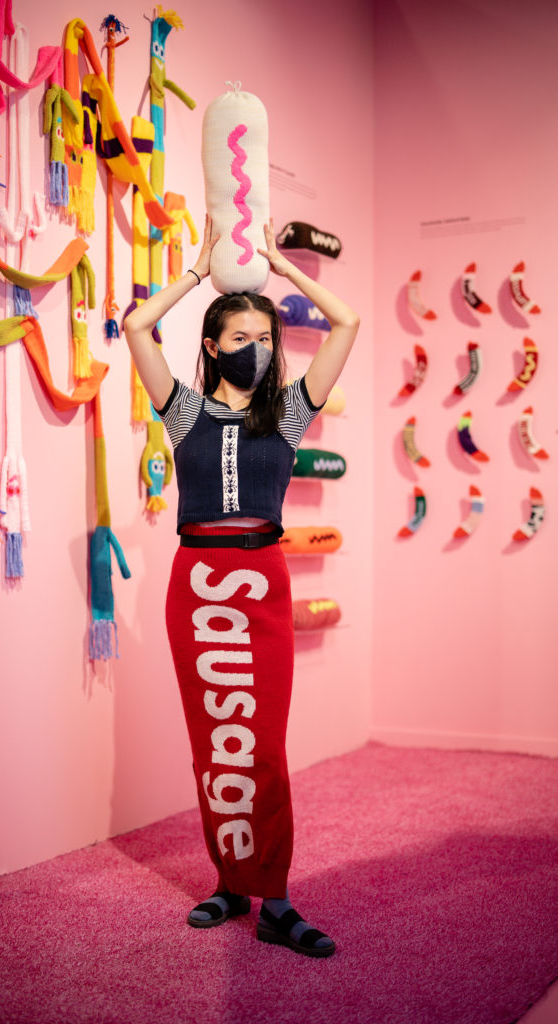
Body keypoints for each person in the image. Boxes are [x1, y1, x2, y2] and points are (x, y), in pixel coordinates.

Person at [123, 216, 360, 958]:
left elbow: (345, 321)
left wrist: (279, 276)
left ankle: (276, 900)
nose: (255, 350)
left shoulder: (288, 415)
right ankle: (229, 883)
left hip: (259, 584)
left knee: (261, 745)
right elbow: (136, 326)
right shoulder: (182, 410)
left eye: (265, 339)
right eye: (240, 338)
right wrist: (198, 274)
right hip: (195, 585)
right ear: (211, 345)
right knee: (213, 743)